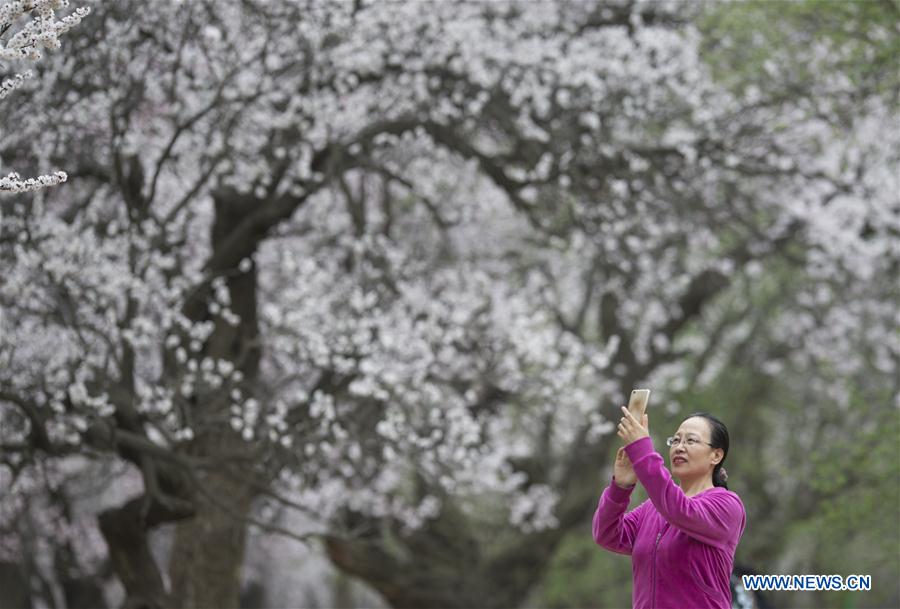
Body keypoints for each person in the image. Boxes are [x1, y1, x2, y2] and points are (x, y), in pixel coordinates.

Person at [592, 406, 746, 609]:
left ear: (716, 456)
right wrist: (620, 487)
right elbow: (607, 534)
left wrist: (641, 449)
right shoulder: (652, 508)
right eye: (675, 440)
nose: (679, 447)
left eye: (690, 440)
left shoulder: (726, 505)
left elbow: (680, 510)